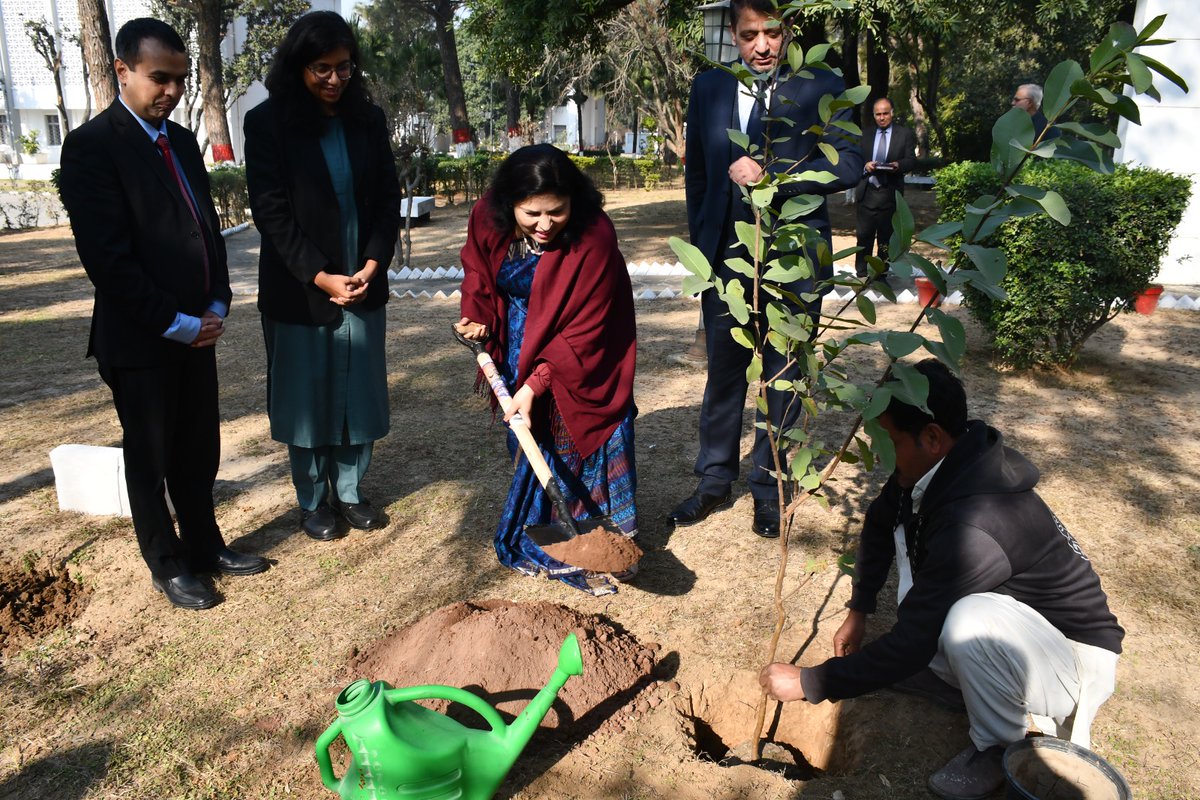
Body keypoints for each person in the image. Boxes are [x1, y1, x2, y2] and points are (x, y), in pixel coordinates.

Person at [758, 359, 1124, 800]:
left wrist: (808, 683)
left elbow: (914, 639)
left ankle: (997, 746)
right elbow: (880, 521)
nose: (884, 453)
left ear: (931, 436)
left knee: (966, 620)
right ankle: (958, 680)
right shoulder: (947, 464)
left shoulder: (977, 523)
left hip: (1070, 659)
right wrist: (859, 609)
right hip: (1022, 628)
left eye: (892, 440)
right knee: (935, 607)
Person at [58, 18, 268, 610]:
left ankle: (205, 544)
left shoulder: (178, 141)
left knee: (198, 449)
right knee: (150, 456)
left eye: (180, 79)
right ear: (122, 71)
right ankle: (167, 561)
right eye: (159, 78)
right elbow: (109, 260)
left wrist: (217, 301)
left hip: (198, 331)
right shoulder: (93, 148)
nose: (172, 91)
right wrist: (178, 323)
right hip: (142, 338)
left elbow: (206, 230)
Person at [669, 0, 864, 538]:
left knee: (783, 375)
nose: (762, 45)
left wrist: (773, 173)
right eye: (750, 33)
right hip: (725, 261)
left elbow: (847, 164)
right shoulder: (708, 88)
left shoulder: (820, 83)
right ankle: (712, 482)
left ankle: (769, 488)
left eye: (772, 33)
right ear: (733, 33)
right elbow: (700, 179)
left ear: (788, 31)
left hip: (793, 256)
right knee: (724, 373)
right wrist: (703, 251)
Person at [244, 11, 401, 541]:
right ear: (297, 67)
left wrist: (373, 264)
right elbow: (271, 212)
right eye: (321, 69)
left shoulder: (368, 120)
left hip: (363, 280)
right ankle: (313, 501)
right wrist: (319, 275)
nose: (335, 80)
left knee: (360, 392)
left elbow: (386, 198)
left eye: (344, 67)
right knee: (306, 395)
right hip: (300, 287)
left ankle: (352, 493)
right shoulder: (266, 124)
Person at [455, 144, 637, 593]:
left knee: (574, 429)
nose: (543, 225)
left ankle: (597, 533)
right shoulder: (487, 215)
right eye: (531, 213)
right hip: (519, 335)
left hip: (587, 345)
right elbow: (478, 270)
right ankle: (545, 525)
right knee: (529, 432)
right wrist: (476, 313)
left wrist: (537, 384)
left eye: (555, 213)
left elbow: (586, 328)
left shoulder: (594, 235)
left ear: (573, 202)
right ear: (509, 204)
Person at [854, 97, 917, 283]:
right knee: (863, 237)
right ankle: (861, 274)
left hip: (890, 193)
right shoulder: (864, 135)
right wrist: (866, 166)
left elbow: (912, 160)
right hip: (867, 192)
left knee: (886, 239)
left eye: (885, 113)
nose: (882, 118)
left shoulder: (904, 134)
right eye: (878, 114)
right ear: (874, 115)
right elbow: (855, 160)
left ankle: (881, 275)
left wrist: (899, 165)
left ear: (892, 113)